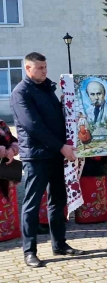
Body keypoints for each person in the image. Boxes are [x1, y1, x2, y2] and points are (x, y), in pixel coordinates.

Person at [11, 52, 83, 268]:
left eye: (45, 67)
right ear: (28, 69)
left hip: (55, 155)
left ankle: (59, 244)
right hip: (35, 156)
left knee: (58, 201)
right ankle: (29, 251)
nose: (44, 71)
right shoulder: (21, 92)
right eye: (40, 67)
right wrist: (61, 147)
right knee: (31, 204)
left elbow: (57, 119)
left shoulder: (48, 89)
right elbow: (33, 126)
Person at [0, 119, 21, 242]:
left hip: (5, 172)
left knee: (6, 203)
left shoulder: (2, 124)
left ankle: (9, 231)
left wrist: (12, 150)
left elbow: (13, 140)